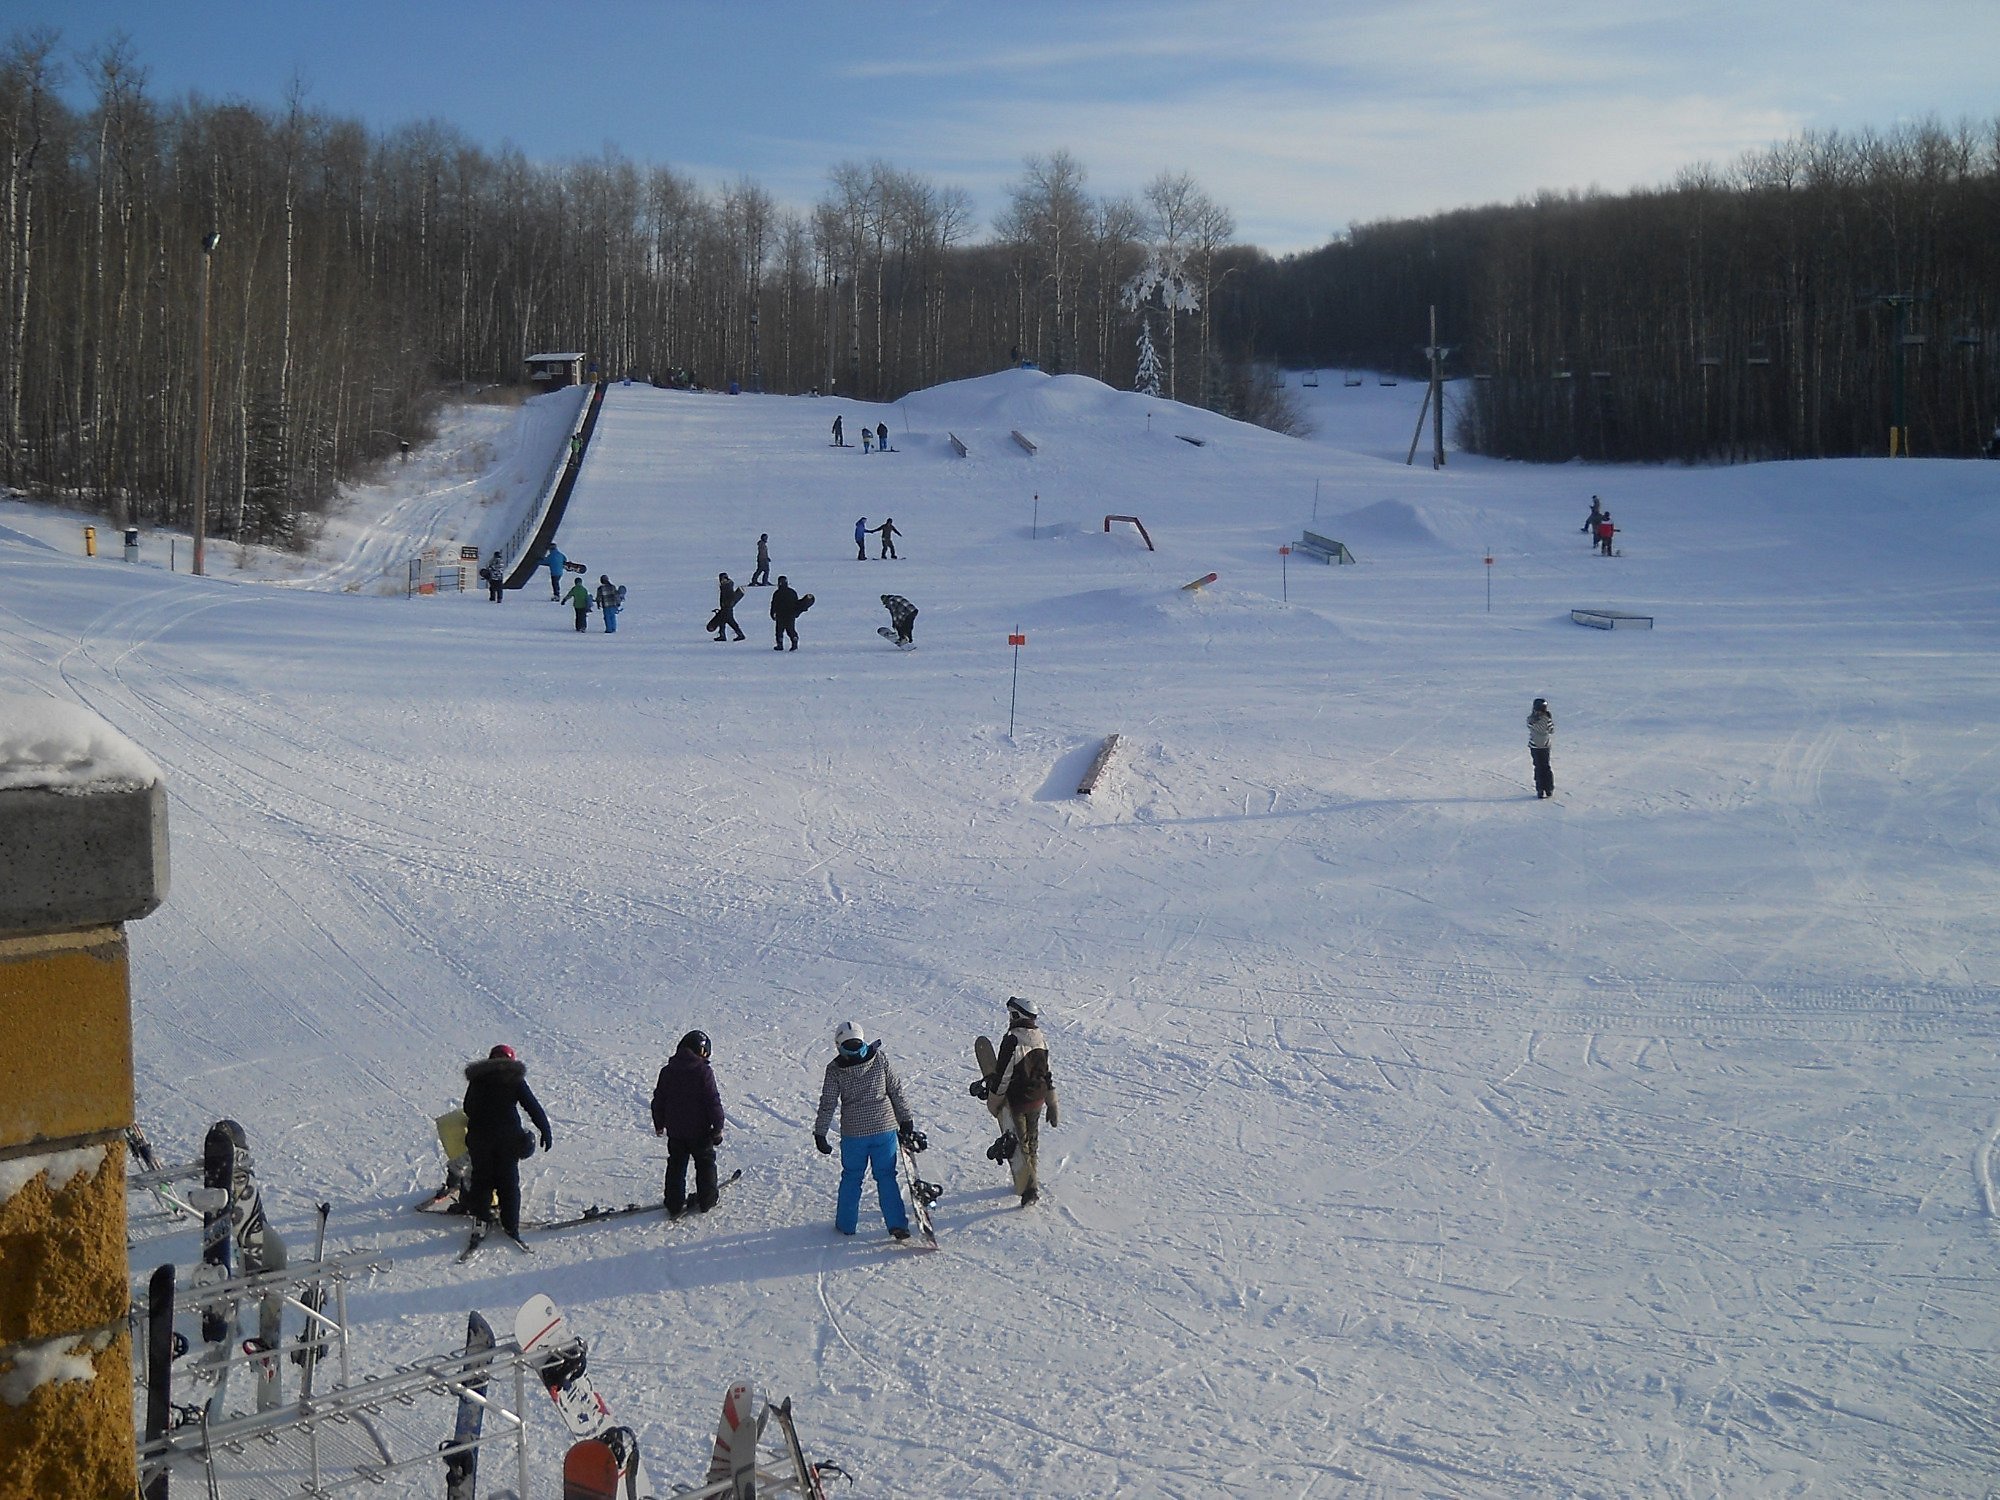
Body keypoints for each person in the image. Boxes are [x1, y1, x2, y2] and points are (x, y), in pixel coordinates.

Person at [813, 1021, 920, 1240]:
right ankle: (897, 1225)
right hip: (884, 1129)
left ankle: (846, 1225)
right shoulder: (879, 1059)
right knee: (887, 1177)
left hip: (854, 1135)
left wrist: (820, 1133)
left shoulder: (835, 1070)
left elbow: (828, 1103)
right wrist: (906, 1120)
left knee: (852, 1177)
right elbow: (896, 1091)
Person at [461, 1043, 553, 1248]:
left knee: (481, 1180)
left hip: (480, 1138)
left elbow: (468, 1107)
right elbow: (532, 1106)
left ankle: (481, 1222)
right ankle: (510, 1225)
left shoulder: (477, 1079)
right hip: (508, 1139)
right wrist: (544, 1130)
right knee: (508, 1181)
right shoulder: (514, 1078)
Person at [973, 996, 1058, 1206]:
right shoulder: (1040, 1038)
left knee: (1021, 1146)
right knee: (1032, 1141)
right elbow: (1046, 1072)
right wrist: (1051, 1100)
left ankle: (1030, 1190)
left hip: (1018, 1101)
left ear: (1015, 1015)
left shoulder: (1013, 1040)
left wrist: (994, 1100)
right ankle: (1032, 1179)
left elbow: (1004, 1075)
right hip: (1037, 1099)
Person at [651, 1030, 725, 1218]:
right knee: (705, 1162)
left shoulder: (667, 1071)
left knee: (676, 1165)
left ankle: (674, 1204)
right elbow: (712, 1101)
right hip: (700, 1132)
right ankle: (707, 1199)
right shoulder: (703, 1071)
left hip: (676, 1131)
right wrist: (717, 1127)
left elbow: (659, 1099)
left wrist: (659, 1123)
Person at [1527, 697, 1555, 800]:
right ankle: (1549, 788)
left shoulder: (1530, 719)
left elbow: (1530, 725)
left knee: (1538, 766)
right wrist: (1549, 719)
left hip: (1534, 746)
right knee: (1546, 766)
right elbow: (1551, 730)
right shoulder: (1546, 719)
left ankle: (1540, 789)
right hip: (1545, 746)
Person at [771, 575, 805, 651]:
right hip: (791, 614)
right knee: (791, 629)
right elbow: (796, 603)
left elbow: (774, 604)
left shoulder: (777, 593)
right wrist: (796, 613)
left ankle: (780, 645)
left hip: (780, 614)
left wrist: (772, 613)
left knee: (779, 630)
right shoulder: (792, 592)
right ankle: (794, 641)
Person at [708, 572, 745, 641]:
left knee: (730, 622)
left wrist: (725, 605)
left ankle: (740, 635)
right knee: (722, 621)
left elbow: (729, 597)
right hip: (725, 607)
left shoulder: (726, 586)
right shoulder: (726, 585)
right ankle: (723, 635)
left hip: (727, 608)